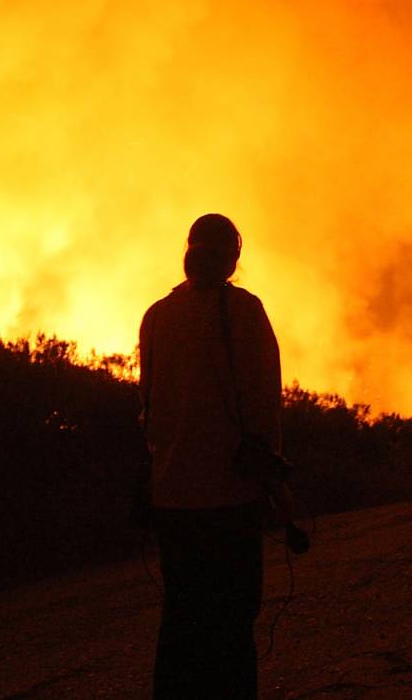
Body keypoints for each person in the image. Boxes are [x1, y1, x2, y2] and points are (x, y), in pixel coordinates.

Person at [139, 213, 282, 700]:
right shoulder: (243, 310)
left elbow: (148, 404)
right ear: (233, 256)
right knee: (234, 619)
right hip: (229, 496)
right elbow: (264, 399)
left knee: (180, 619)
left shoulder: (156, 315)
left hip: (172, 497)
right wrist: (269, 475)